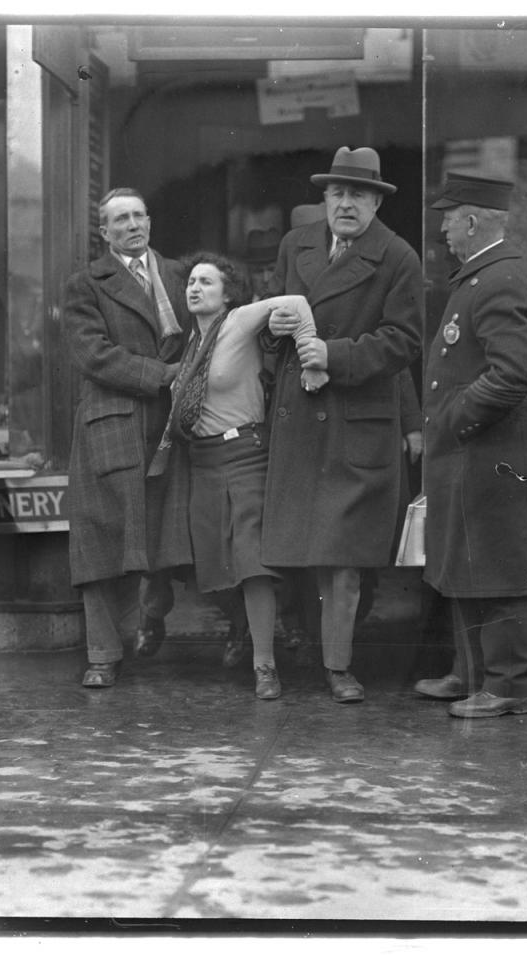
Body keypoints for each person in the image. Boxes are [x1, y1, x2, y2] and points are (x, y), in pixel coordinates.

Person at [261, 146, 424, 703]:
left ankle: (338, 665)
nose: (346, 204)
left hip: (355, 421)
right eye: (337, 193)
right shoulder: (296, 245)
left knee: (345, 560)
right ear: (324, 199)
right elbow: (269, 324)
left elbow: (404, 342)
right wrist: (273, 327)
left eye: (358, 195)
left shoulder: (398, 258)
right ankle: (309, 649)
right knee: (304, 550)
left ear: (377, 201)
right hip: (300, 418)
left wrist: (333, 354)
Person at [415, 172, 527, 718]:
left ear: (473, 221)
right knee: (468, 561)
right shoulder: (484, 275)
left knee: (500, 569)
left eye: (449, 221)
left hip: (494, 453)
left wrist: (451, 418)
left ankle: (509, 687)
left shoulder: (498, 278)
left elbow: (511, 375)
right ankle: (473, 673)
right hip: (479, 451)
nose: (444, 233)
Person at [156, 252, 322, 699]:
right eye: (191, 281)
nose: (195, 288)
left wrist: (313, 361)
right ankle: (246, 627)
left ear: (227, 293)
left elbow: (300, 305)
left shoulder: (240, 320)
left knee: (252, 564)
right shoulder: (189, 343)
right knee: (213, 567)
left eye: (207, 282)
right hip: (203, 462)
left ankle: (265, 666)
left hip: (246, 454)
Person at [63, 187, 192, 688]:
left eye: (139, 215)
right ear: (105, 232)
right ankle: (102, 655)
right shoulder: (86, 284)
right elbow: (92, 355)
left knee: (168, 539)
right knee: (103, 542)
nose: (132, 225)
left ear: (150, 222)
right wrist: (163, 375)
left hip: (174, 424)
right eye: (120, 219)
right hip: (113, 422)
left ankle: (153, 614)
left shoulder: (181, 275)